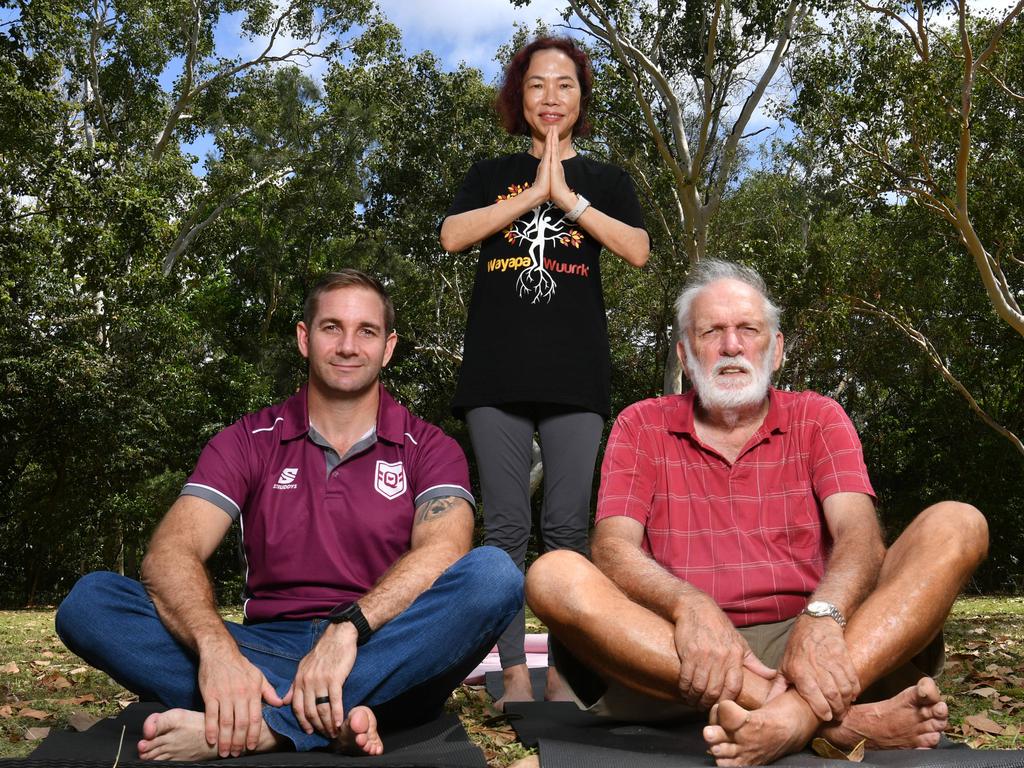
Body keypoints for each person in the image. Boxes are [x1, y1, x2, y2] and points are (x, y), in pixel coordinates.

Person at [525, 259, 989, 766]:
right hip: (674, 652)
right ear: (685, 353)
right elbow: (612, 546)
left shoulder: (819, 417)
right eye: (712, 332)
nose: (731, 346)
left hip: (821, 640)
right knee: (552, 574)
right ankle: (824, 718)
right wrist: (690, 606)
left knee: (958, 523)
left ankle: (788, 716)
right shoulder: (641, 425)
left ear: (777, 349)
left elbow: (859, 536)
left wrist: (823, 614)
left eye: (748, 329)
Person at [55, 269, 523, 761]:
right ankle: (330, 715)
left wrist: (348, 631)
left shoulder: (429, 446)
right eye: (331, 327)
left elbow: (444, 551)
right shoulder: (248, 440)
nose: (348, 345)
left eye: (366, 331)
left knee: (493, 575)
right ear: (305, 338)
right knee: (91, 603)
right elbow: (172, 550)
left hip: (382, 647)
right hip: (263, 652)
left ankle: (264, 727)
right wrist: (219, 653)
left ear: (387, 348)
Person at [439, 36, 650, 708]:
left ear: (581, 97)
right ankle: (510, 677)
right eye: (537, 85)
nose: (550, 97)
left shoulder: (608, 181)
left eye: (564, 84)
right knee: (503, 528)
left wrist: (570, 200)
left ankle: (564, 675)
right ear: (519, 96)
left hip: (574, 378)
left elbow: (639, 251)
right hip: (496, 376)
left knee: (565, 530)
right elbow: (452, 235)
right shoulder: (489, 170)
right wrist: (534, 192)